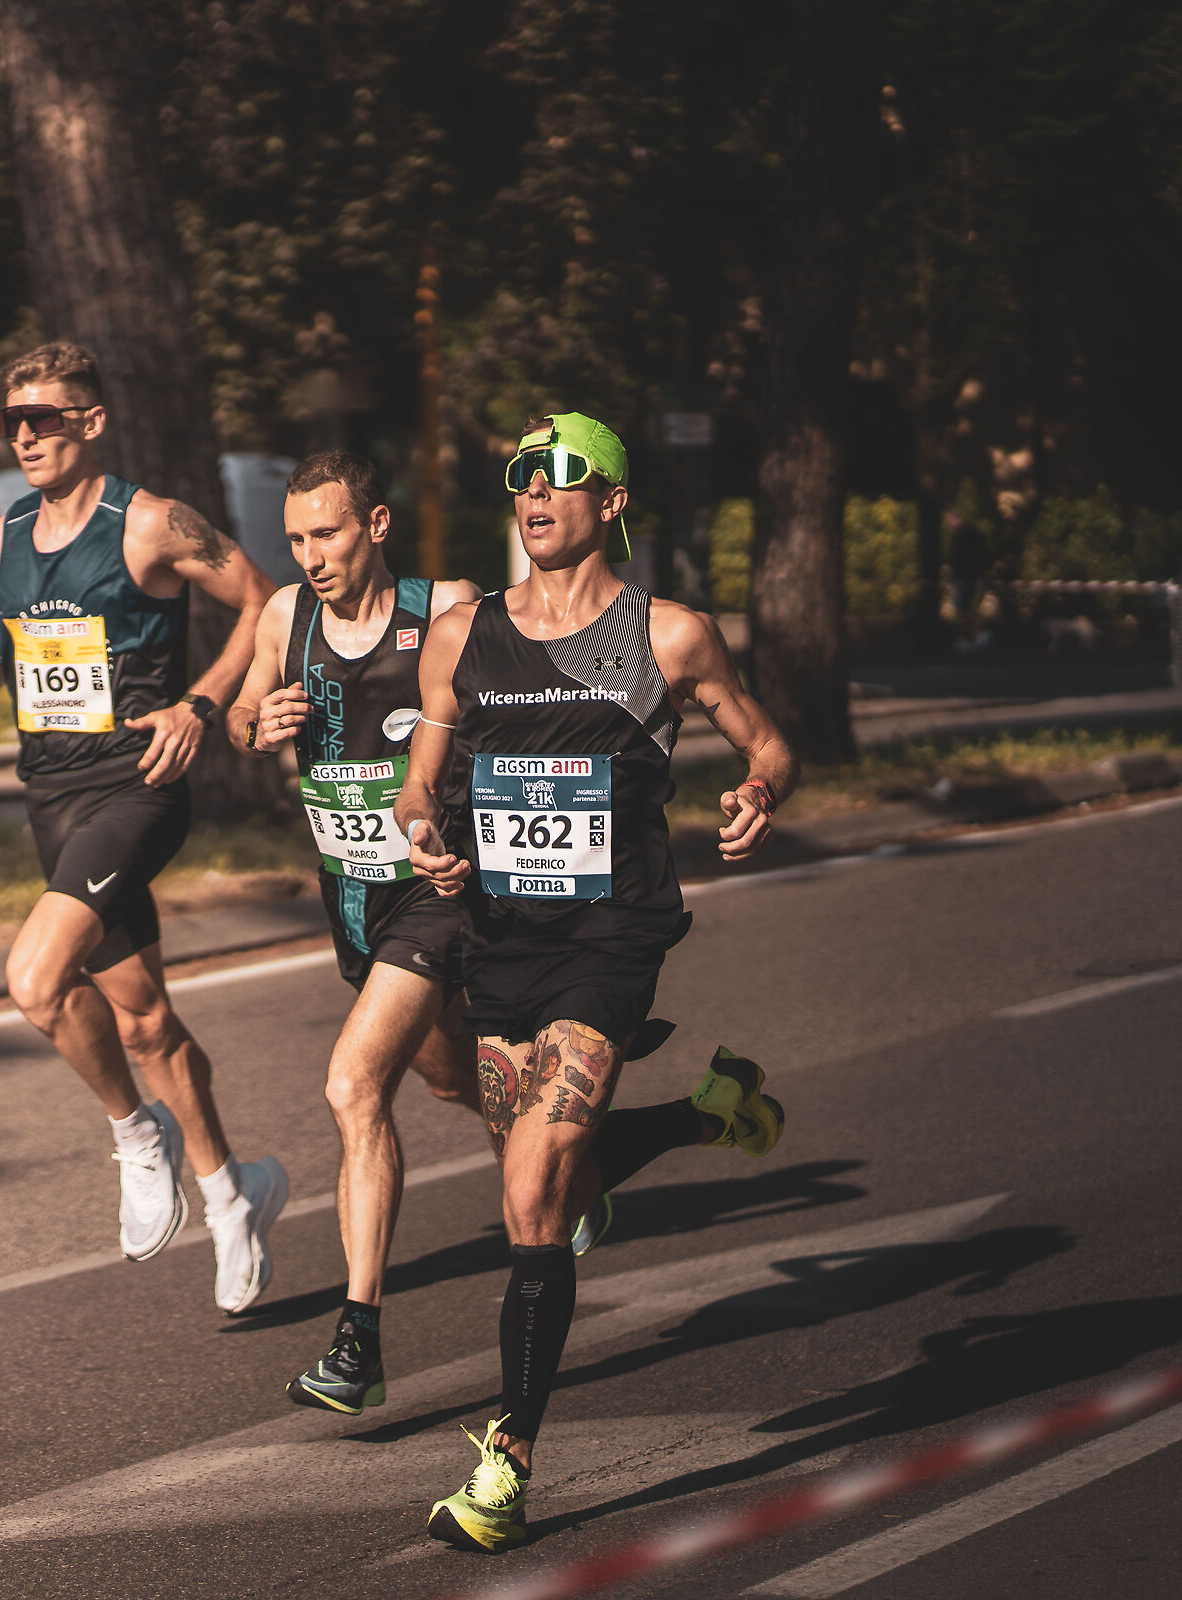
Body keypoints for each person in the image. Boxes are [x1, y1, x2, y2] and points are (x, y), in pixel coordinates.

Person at [393, 412, 797, 1552]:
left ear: (612, 500)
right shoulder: (461, 636)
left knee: (531, 1196)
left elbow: (770, 744)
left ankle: (506, 1465)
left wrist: (759, 789)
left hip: (610, 938)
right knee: (545, 1169)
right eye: (522, 475)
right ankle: (706, 1111)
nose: (535, 492)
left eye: (563, 475)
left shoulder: (668, 636)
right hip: (497, 941)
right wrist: (422, 828)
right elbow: (417, 783)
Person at [0, 341, 290, 1313]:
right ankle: (236, 1198)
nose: (25, 434)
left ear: (90, 422)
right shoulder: (2, 536)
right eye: (12, 421)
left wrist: (201, 705)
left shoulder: (150, 524)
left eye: (44, 416)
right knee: (147, 1019)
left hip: (137, 787)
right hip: (54, 795)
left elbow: (258, 600)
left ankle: (136, 1135)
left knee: (36, 981)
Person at [228, 451, 481, 1410]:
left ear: (374, 525)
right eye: (294, 540)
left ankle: (358, 1339)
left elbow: (521, 698)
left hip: (438, 886)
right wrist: (261, 722)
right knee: (456, 1074)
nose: (309, 557)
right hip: (351, 894)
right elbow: (247, 711)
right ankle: (586, 1156)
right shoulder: (286, 617)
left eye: (325, 534)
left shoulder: (447, 604)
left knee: (351, 1083)